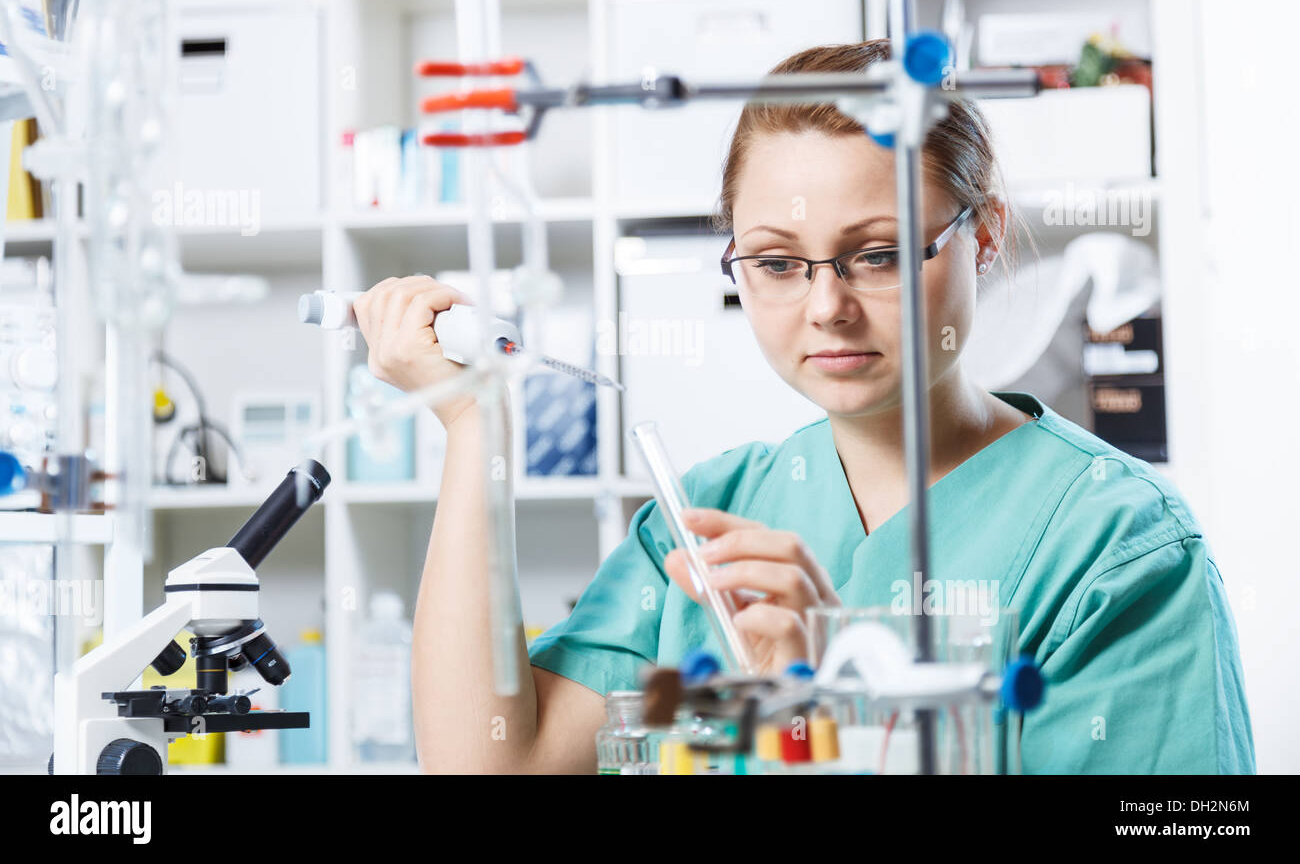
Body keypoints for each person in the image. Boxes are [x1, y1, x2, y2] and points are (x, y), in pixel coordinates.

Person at [353, 39, 1255, 775]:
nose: (827, 307)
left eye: (878, 253)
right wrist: (475, 427)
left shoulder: (1115, 546)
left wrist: (832, 731)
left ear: (981, 236)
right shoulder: (706, 521)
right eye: (778, 264)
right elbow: (491, 764)